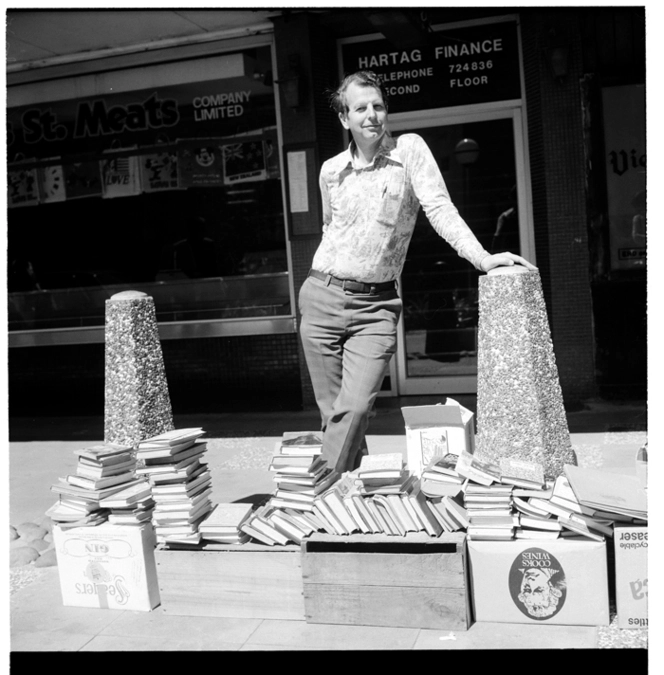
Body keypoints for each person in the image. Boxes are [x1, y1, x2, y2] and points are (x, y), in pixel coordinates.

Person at [298, 70, 537, 474]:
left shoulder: (408, 152)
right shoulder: (330, 170)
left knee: (354, 408)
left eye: (377, 106)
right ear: (345, 119)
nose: (371, 115)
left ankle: (321, 487)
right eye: (360, 108)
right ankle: (357, 497)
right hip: (320, 295)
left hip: (374, 306)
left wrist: (481, 257)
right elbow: (329, 228)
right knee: (334, 415)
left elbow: (440, 208)